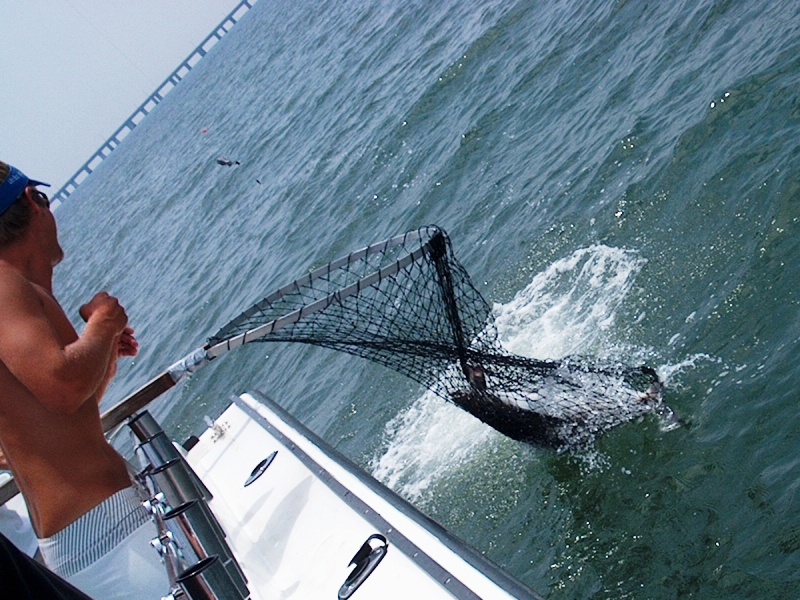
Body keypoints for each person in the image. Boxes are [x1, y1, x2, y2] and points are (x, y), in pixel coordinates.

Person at [0, 161, 170, 598]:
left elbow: (63, 416)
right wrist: (103, 320)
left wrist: (102, 355)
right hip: (109, 537)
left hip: (98, 535)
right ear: (31, 202)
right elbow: (62, 386)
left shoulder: (19, 291)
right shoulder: (3, 285)